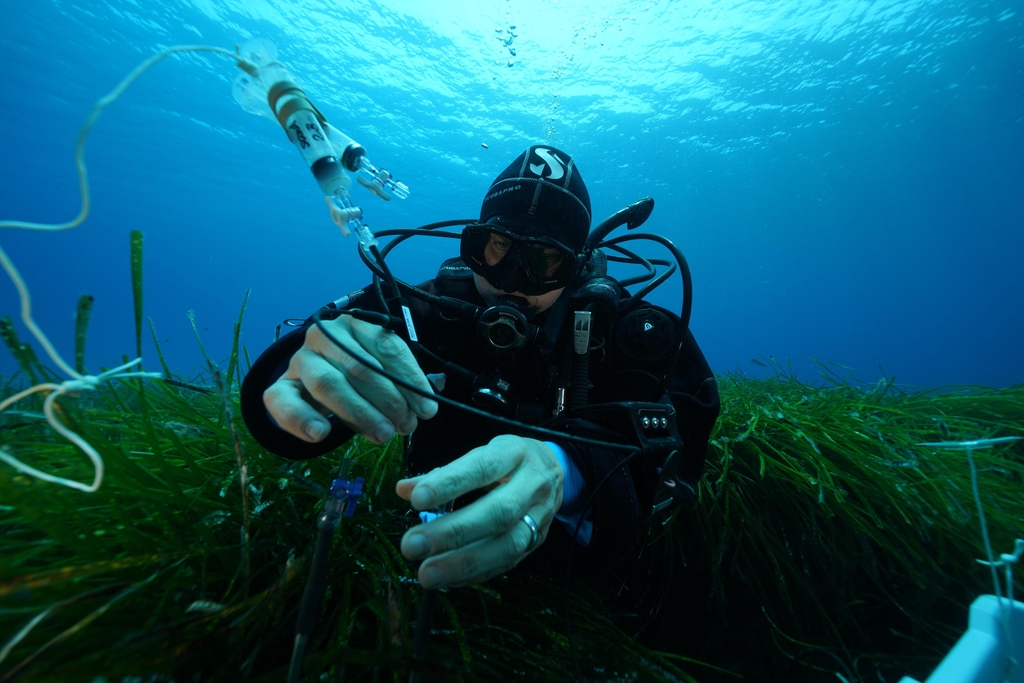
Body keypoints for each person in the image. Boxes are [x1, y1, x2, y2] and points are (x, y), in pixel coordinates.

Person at [240, 146, 720, 591]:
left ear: (575, 269)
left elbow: (681, 457)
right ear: (472, 244)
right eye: (495, 248)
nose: (510, 280)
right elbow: (282, 408)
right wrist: (311, 376)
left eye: (543, 260)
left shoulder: (629, 337)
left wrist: (568, 470)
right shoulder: (426, 311)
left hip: (575, 583)